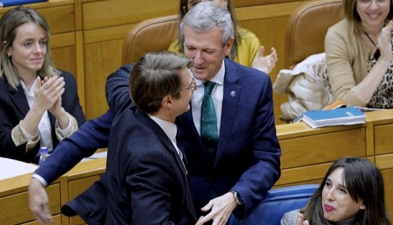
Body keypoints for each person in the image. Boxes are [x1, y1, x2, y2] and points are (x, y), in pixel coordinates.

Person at [29, 2, 281, 224]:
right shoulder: (165, 80)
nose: (197, 60)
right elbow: (96, 131)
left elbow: (267, 159)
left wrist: (235, 197)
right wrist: (42, 176)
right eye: (190, 48)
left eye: (208, 51)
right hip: (168, 210)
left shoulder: (255, 86)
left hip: (231, 211)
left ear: (228, 46)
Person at [103, 51, 197, 224]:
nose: (194, 89)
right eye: (190, 86)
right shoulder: (151, 159)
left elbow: (117, 79)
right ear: (168, 101)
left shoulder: (129, 110)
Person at [0, 6, 85, 163]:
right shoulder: (1, 90)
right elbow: (5, 149)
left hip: (61, 172)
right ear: (8, 48)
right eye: (28, 44)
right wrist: (38, 109)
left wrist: (59, 113)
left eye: (43, 42)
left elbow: (85, 141)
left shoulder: (63, 81)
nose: (39, 50)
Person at [168, 0, 278, 75]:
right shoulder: (175, 51)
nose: (204, 8)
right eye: (196, 3)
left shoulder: (249, 42)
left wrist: (255, 77)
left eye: (210, 0)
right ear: (186, 10)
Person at [325, 0, 393, 108]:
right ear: (353, 3)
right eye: (365, 0)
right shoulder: (338, 36)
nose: (374, 7)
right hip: (364, 121)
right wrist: (384, 59)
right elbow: (343, 105)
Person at [280, 157, 391, 225]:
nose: (329, 196)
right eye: (328, 184)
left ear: (364, 202)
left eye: (342, 190)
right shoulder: (294, 221)